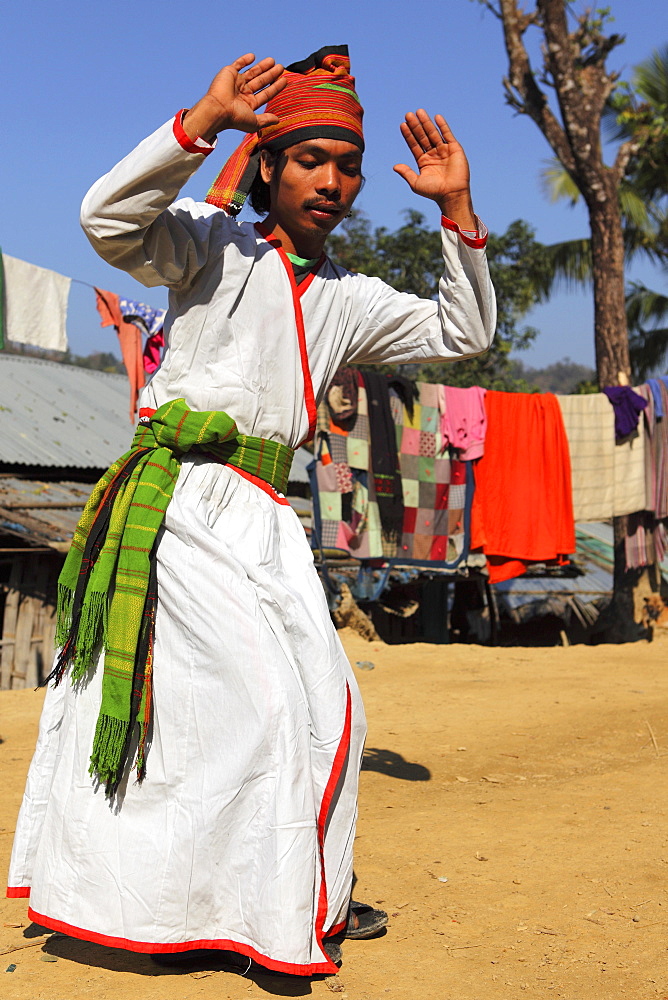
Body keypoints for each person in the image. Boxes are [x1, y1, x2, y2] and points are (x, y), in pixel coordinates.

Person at [7, 46, 496, 976]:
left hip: (270, 517)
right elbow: (105, 218)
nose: (335, 181)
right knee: (252, 706)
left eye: (348, 166)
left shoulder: (349, 298)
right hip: (183, 500)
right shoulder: (205, 243)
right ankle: (162, 904)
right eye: (312, 159)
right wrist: (202, 120)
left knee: (324, 704)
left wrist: (457, 211)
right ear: (267, 165)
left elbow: (465, 332)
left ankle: (288, 896)